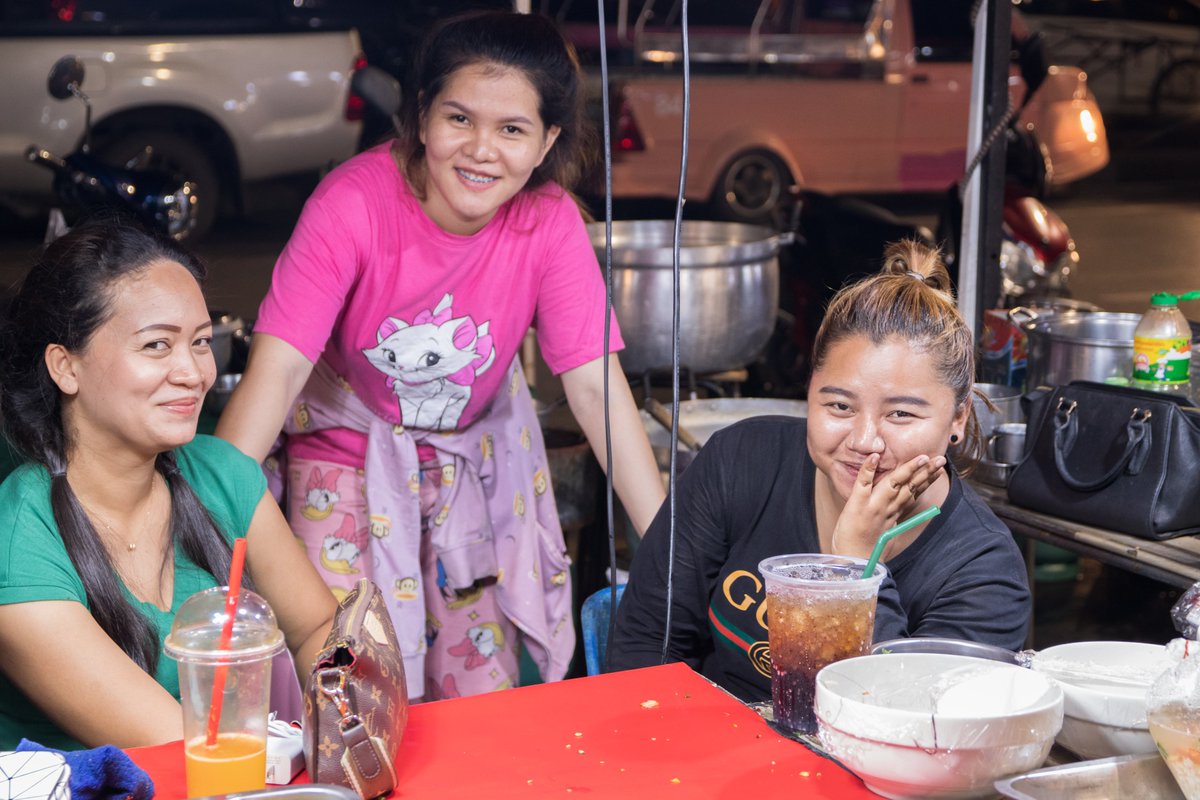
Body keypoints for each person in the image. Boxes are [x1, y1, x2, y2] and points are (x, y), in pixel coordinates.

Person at [215, 11, 665, 701]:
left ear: (546, 141)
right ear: (422, 116)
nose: (482, 149)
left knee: (477, 696)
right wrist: (207, 528)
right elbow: (276, 374)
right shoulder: (351, 204)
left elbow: (598, 392)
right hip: (343, 463)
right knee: (346, 689)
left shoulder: (549, 223)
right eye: (460, 118)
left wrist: (671, 552)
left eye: (512, 129)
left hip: (469, 472)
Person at [607, 240, 1031, 701]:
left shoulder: (983, 570)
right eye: (839, 405)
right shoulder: (741, 461)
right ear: (809, 392)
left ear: (958, 418)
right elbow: (645, 645)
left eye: (901, 415)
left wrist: (858, 566)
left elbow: (918, 732)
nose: (864, 441)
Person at [0, 219, 337, 750]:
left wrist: (339, 716)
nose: (193, 372)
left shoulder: (221, 475)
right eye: (157, 345)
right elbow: (179, 749)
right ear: (65, 367)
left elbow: (320, 627)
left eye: (200, 342)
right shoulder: (19, 538)